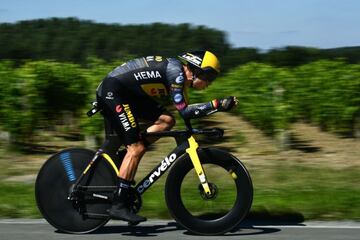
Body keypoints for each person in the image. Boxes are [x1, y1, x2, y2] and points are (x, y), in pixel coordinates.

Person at [95, 50, 237, 223]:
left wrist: (215, 107)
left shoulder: (180, 79)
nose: (209, 84)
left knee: (166, 120)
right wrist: (217, 104)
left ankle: (126, 156)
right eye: (209, 78)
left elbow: (184, 113)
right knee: (137, 148)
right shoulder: (176, 74)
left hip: (126, 93)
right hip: (114, 91)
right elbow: (184, 110)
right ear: (199, 71)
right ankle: (118, 205)